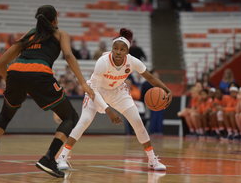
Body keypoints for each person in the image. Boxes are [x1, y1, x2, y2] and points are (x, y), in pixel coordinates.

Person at [0, 5, 95, 178]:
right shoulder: (60, 33)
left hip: (15, 72)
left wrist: (10, 81)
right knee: (70, 117)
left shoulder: (29, 33)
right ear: (55, 19)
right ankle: (49, 158)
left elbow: (2, 62)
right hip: (40, 73)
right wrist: (83, 83)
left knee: (4, 116)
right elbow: (69, 56)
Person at [56, 28, 172, 171]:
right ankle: (62, 156)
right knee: (84, 121)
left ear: (127, 52)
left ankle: (152, 160)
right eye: (115, 48)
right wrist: (108, 110)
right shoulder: (103, 62)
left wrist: (167, 90)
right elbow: (95, 91)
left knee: (137, 121)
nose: (118, 51)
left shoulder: (132, 61)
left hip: (118, 92)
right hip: (95, 91)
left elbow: (150, 77)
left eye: (122, 49)